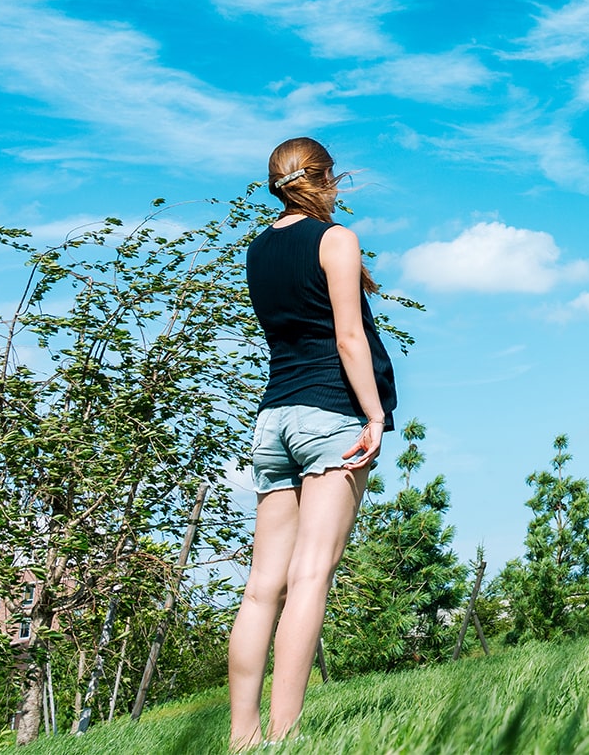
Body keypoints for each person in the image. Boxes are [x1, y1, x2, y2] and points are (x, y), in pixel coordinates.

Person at [228, 137, 396, 750]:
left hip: (272, 420)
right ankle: (284, 735)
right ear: (329, 179)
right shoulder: (336, 240)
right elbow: (349, 338)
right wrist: (373, 416)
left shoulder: (258, 249)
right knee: (311, 576)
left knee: (260, 586)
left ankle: (241, 739)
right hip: (329, 414)